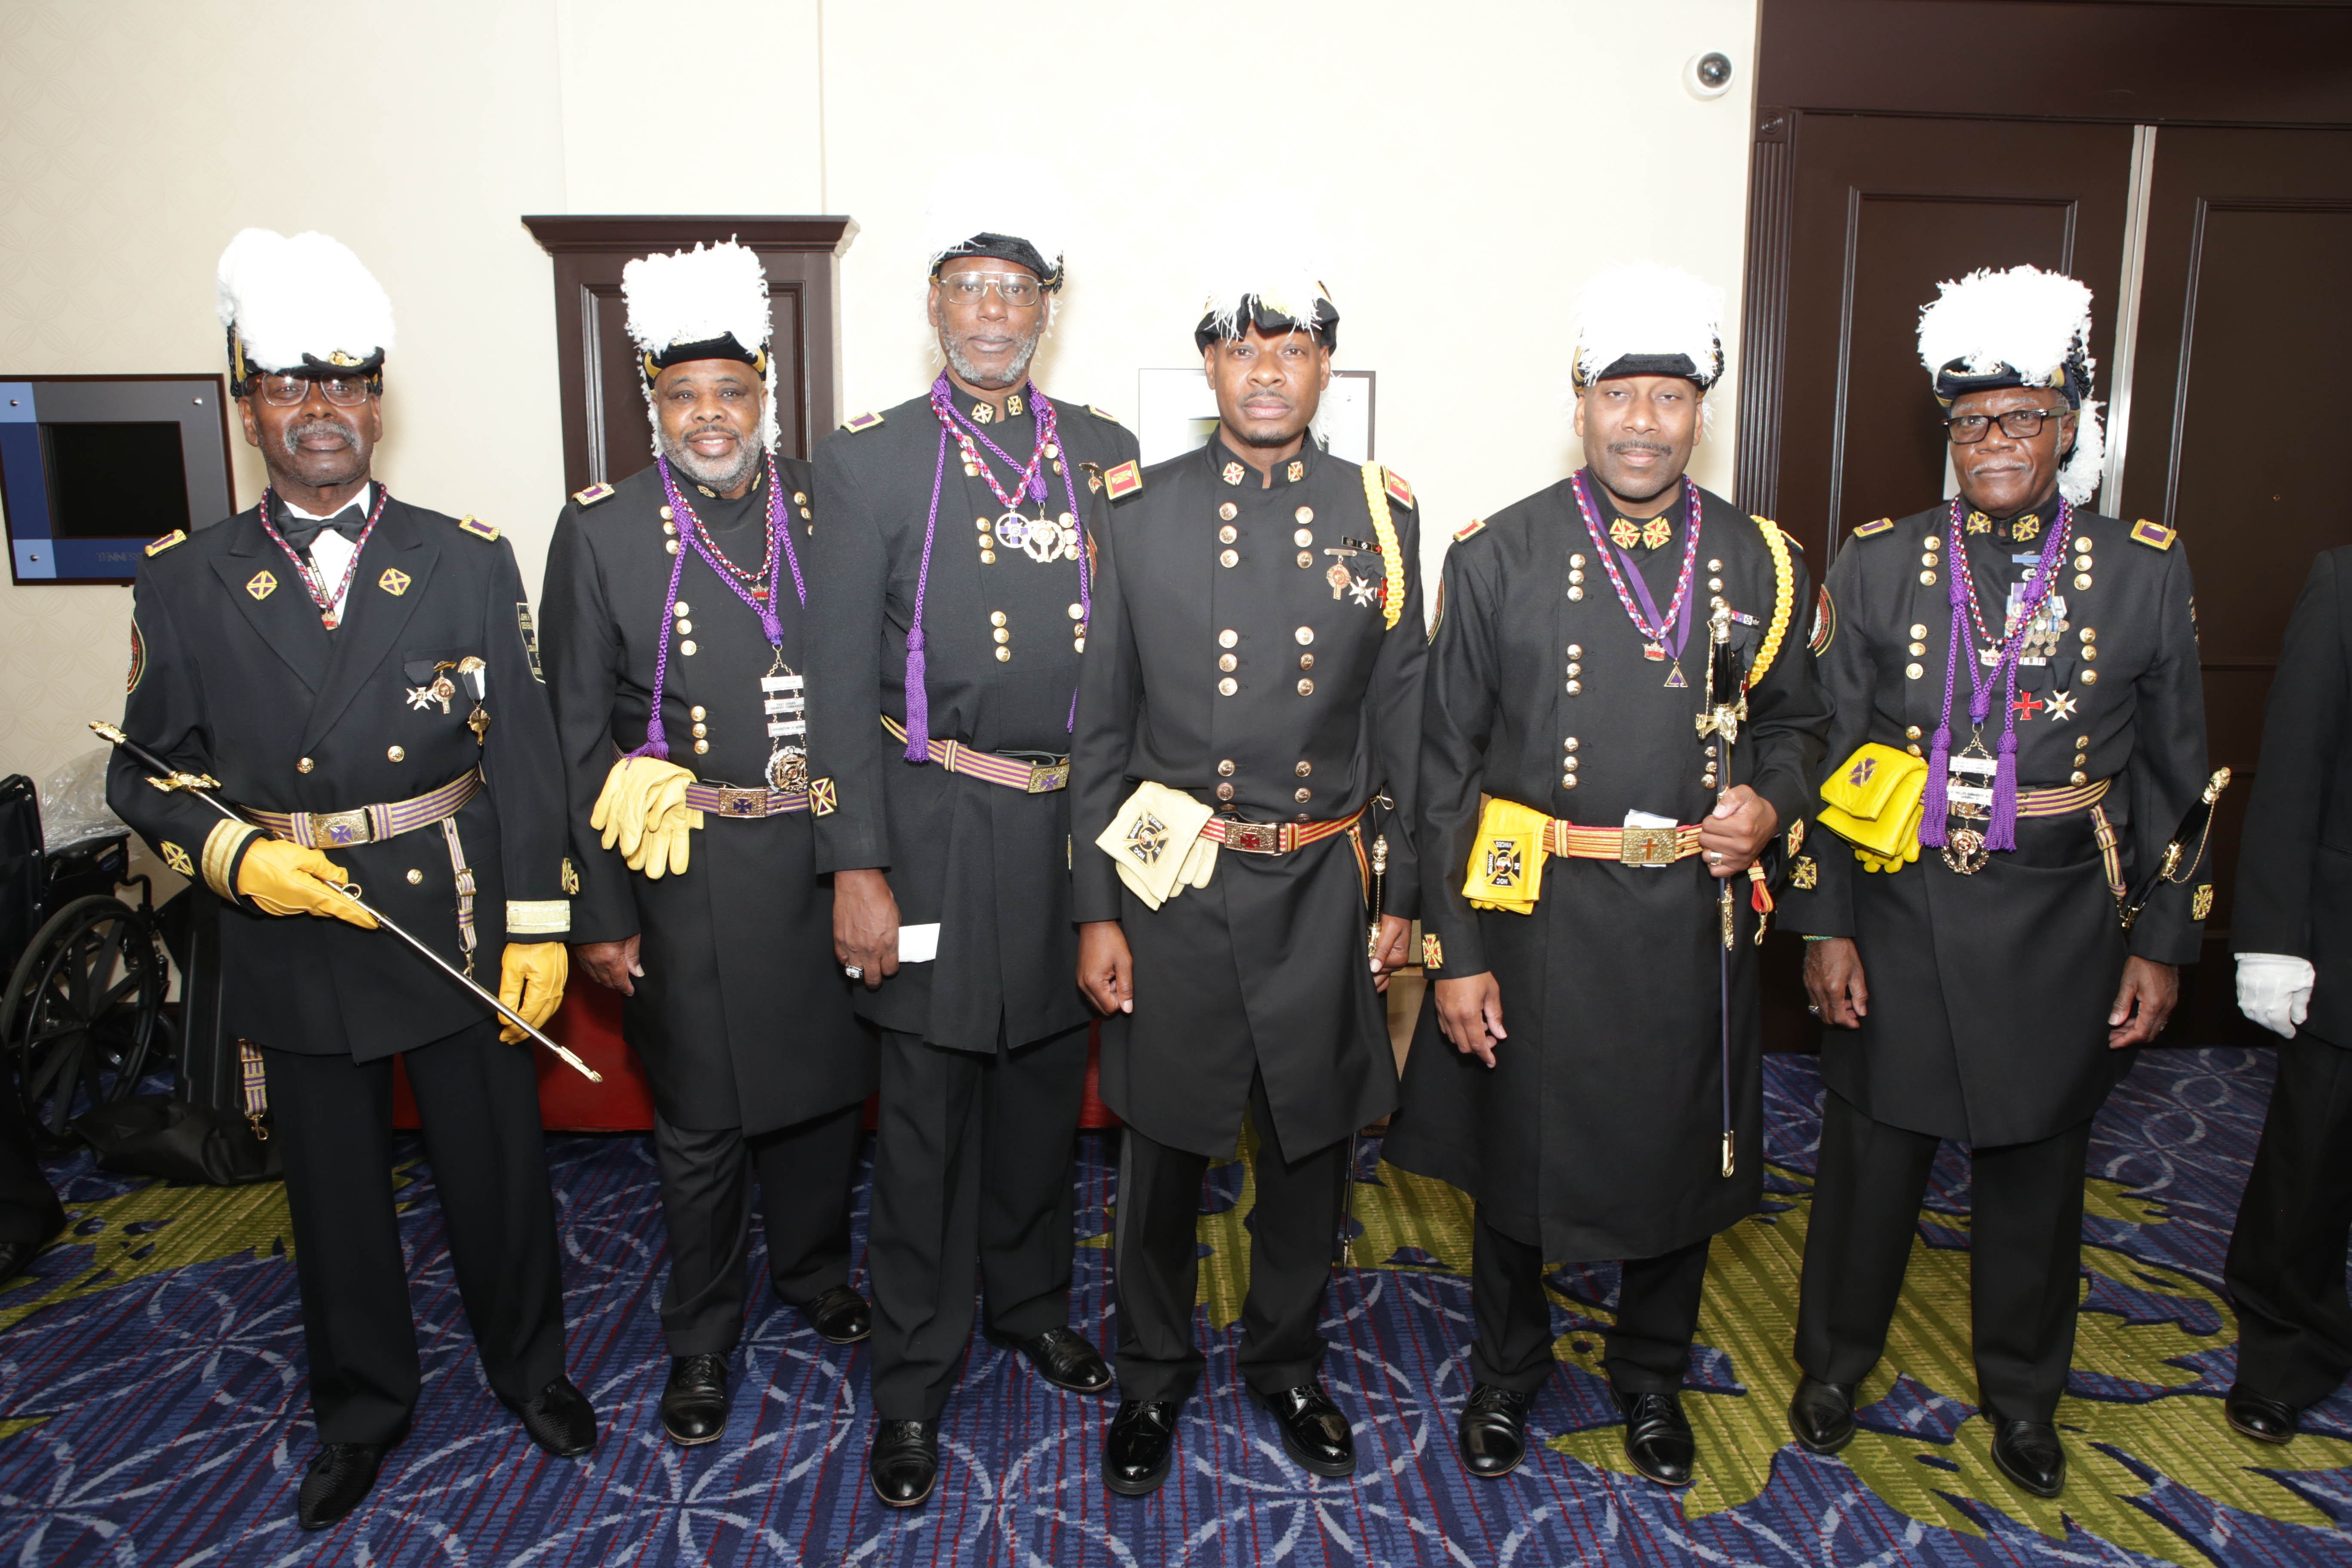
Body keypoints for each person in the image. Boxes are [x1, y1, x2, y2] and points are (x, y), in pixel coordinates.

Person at [106, 230, 590, 1529]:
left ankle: (532, 1371)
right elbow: (143, 772)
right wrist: (234, 855)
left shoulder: (467, 556)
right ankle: (362, 1409)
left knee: (498, 1173)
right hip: (296, 924)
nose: (319, 407)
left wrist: (539, 924)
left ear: (378, 402)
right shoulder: (185, 579)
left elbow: (526, 756)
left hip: (453, 913)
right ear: (246, 406)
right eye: (288, 383)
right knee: (332, 1200)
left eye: (346, 381)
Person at [1386, 262, 1826, 1488]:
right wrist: (1456, 954)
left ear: (1702, 412)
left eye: (1669, 397)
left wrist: (1770, 802)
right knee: (1516, 1161)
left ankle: (1650, 1375)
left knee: (1680, 1156)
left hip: (1692, 916)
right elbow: (1443, 771)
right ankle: (1507, 1372)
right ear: (1579, 403)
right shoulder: (1498, 553)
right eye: (1619, 394)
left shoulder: (1764, 559)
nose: (1643, 422)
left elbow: (1801, 725)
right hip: (1537, 914)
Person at [1781, 265, 2211, 1498]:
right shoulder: (1880, 563)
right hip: (1900, 905)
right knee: (1871, 1157)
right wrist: (1825, 926)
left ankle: (2024, 1395)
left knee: (2040, 1169)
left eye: (2023, 417)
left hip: (2064, 918)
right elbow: (1824, 757)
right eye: (1972, 422)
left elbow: (2178, 777)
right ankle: (1833, 1366)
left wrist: (2163, 942)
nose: (1995, 443)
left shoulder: (2144, 569)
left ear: (2069, 426)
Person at [803, 170, 1136, 1509]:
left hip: (1066, 825)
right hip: (930, 822)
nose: (992, 313)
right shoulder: (868, 456)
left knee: (1046, 1091)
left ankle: (1031, 1303)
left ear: (1047, 311)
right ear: (934, 307)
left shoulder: (1106, 450)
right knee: (929, 1118)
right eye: (968, 290)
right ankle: (912, 1374)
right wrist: (855, 864)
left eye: (1016, 292)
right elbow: (836, 680)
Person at [1071, 268, 1424, 1495]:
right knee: (1164, 1153)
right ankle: (1151, 1374)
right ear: (1209, 366)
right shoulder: (1137, 508)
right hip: (1176, 879)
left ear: (1326, 367)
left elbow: (1403, 718)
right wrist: (1097, 913)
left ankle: (1286, 1360)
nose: (1267, 371)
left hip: (1323, 880)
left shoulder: (1381, 510)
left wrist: (1404, 897)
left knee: (1311, 1147)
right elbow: (1101, 733)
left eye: (1292, 349)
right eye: (1242, 349)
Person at [539, 241, 874, 1448]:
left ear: (765, 393)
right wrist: (601, 910)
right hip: (685, 871)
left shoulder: (832, 506)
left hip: (824, 852)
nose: (710, 415)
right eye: (684, 395)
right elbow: (575, 736)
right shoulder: (602, 532)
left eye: (731, 390)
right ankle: (702, 1329)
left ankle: (816, 1273)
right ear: (654, 404)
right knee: (700, 1118)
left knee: (826, 1094)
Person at [2220, 545, 2352, 1443]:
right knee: (2316, 1155)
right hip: (2346, 936)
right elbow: (2294, 765)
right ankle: (2287, 1346)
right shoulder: (2344, 583)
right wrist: (2273, 937)